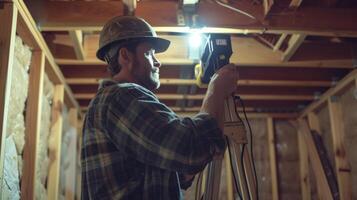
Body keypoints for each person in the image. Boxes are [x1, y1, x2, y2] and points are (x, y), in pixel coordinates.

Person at [81, 16, 239, 200]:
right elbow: (189, 147)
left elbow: (165, 173)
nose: (158, 62)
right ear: (125, 55)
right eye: (150, 53)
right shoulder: (119, 97)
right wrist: (216, 91)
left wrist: (187, 164)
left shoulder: (114, 102)